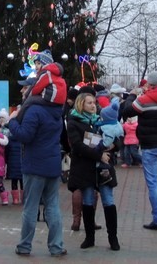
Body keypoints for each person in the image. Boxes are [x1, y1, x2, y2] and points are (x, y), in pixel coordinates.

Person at [8, 62, 68, 258]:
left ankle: (25, 245)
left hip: (34, 164)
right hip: (52, 164)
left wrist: (12, 121)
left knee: (31, 207)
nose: (25, 91)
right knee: (52, 206)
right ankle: (56, 246)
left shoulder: (34, 110)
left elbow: (25, 136)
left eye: (27, 87)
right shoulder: (57, 112)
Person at [121, 72, 157, 230]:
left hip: (150, 146)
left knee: (153, 184)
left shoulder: (144, 100)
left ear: (150, 84)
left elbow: (127, 112)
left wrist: (132, 96)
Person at [67, 92, 120, 251]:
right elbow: (77, 146)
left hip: (103, 168)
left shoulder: (101, 120)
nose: (92, 105)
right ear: (80, 104)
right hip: (85, 167)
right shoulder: (73, 122)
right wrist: (99, 154)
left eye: (93, 103)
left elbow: (116, 139)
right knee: (88, 201)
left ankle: (113, 238)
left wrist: (114, 146)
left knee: (108, 201)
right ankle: (89, 237)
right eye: (89, 103)